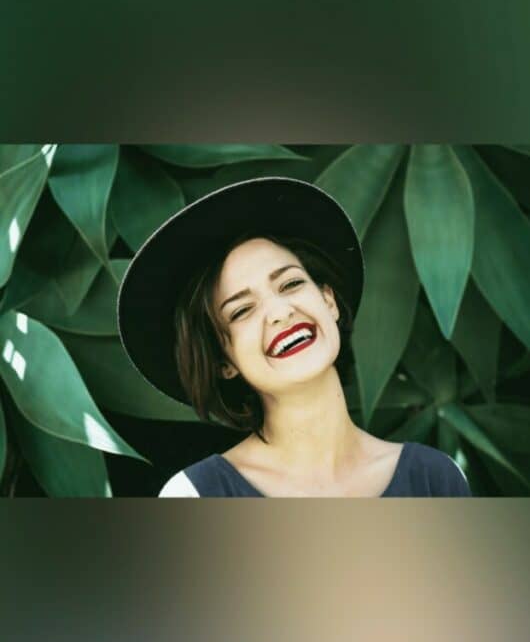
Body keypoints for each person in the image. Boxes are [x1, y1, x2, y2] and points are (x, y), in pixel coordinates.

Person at [118, 177, 470, 498]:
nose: (280, 311)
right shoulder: (195, 495)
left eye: (290, 284)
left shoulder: (436, 479)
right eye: (242, 311)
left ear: (328, 300)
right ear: (223, 361)